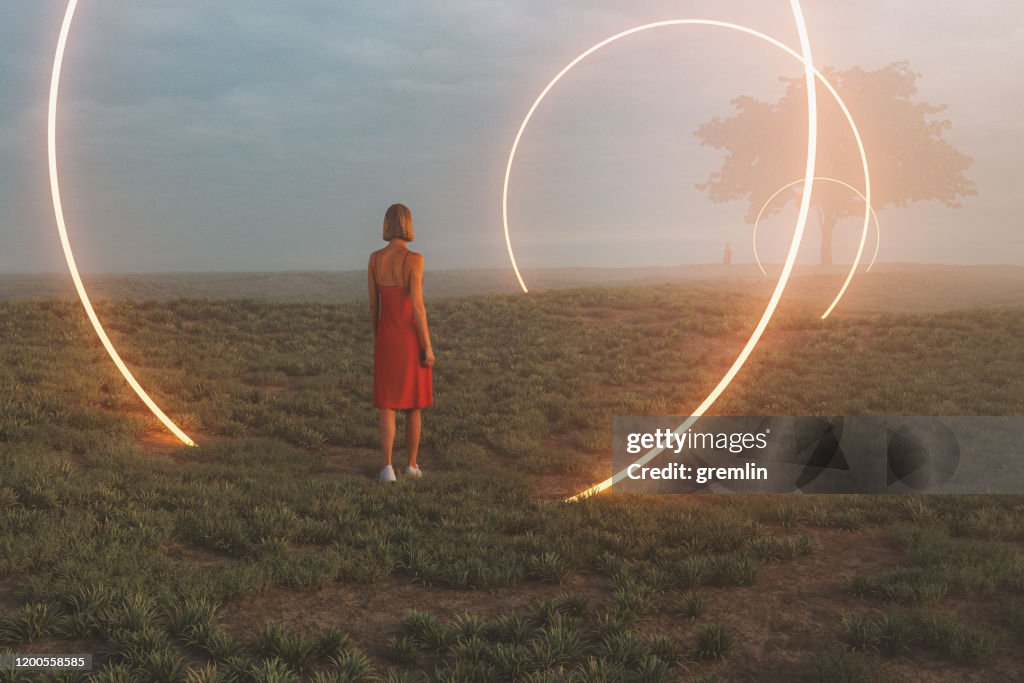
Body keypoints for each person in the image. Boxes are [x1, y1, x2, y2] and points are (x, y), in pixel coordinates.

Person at [368, 203, 435, 483]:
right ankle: (411, 464)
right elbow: (417, 306)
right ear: (408, 224)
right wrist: (428, 346)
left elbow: (374, 305)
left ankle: (386, 468)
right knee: (413, 405)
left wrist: (378, 337)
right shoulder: (415, 259)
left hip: (386, 338)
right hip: (409, 339)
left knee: (387, 404)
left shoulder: (375, 259)